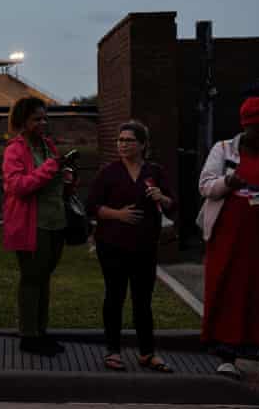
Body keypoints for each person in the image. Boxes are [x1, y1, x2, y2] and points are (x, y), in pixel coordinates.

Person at [198, 97, 259, 382]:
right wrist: (228, 182)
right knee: (228, 292)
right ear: (246, 126)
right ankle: (227, 357)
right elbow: (205, 186)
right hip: (227, 238)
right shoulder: (223, 149)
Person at [86, 120, 176, 372]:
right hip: (112, 244)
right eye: (120, 140)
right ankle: (113, 351)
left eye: (129, 140)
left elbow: (172, 204)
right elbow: (91, 206)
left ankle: (147, 353)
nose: (123, 144)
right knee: (114, 297)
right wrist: (118, 215)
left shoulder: (154, 172)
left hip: (145, 246)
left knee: (143, 301)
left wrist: (163, 197)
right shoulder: (109, 172)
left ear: (143, 144)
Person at [1, 97, 70, 356]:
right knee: (32, 279)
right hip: (32, 224)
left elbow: (51, 180)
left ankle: (41, 331)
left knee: (44, 279)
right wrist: (51, 168)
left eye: (45, 117)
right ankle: (29, 335)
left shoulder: (47, 145)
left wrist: (65, 177)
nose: (43, 122)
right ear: (22, 121)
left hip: (55, 222)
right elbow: (17, 186)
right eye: (36, 119)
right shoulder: (15, 150)